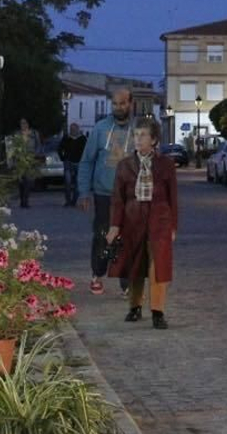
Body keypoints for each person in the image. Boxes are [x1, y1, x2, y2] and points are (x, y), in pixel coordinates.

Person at [104, 117, 178, 329]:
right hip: (133, 220)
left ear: (153, 139)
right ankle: (135, 306)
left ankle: (158, 311)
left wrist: (173, 226)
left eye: (143, 135)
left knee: (158, 265)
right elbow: (118, 199)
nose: (138, 139)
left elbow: (172, 197)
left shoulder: (166, 165)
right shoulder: (125, 165)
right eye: (136, 135)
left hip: (159, 220)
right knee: (135, 263)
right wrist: (114, 225)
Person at [76, 87, 135, 295]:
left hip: (131, 196)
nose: (118, 107)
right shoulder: (100, 129)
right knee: (103, 235)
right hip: (104, 193)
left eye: (123, 103)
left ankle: (127, 282)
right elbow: (87, 161)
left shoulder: (140, 130)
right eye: (115, 104)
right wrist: (84, 192)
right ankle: (97, 273)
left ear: (130, 104)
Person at [7, 118, 40, 208]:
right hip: (19, 159)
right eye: (21, 123)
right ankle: (22, 199)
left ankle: (26, 201)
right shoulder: (17, 134)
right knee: (21, 181)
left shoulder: (34, 133)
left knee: (28, 180)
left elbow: (38, 146)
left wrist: (35, 155)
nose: (23, 125)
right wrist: (12, 159)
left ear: (28, 124)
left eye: (25, 123)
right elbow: (12, 146)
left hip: (30, 159)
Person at [58, 122, 87, 207]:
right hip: (68, 162)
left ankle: (74, 201)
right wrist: (62, 158)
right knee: (67, 182)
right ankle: (68, 201)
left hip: (79, 163)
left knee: (78, 184)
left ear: (78, 129)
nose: (73, 131)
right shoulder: (66, 138)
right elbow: (60, 148)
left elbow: (87, 150)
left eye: (74, 129)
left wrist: (84, 160)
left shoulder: (82, 139)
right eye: (71, 129)